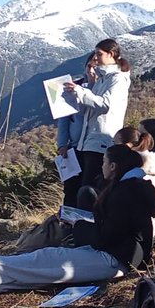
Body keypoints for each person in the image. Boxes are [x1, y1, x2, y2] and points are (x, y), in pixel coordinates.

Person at [0, 145, 155, 293]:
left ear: (113, 166)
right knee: (49, 261)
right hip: (121, 255)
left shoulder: (125, 193)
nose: (101, 166)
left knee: (51, 259)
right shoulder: (134, 189)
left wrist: (79, 226)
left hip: (118, 259)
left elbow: (107, 236)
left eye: (104, 162)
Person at [62, 39, 132, 203]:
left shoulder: (117, 79)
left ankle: (91, 217)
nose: (96, 57)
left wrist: (80, 92)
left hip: (101, 139)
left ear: (111, 54)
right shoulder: (102, 79)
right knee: (83, 188)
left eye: (99, 54)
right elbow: (91, 106)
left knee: (90, 189)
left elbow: (105, 104)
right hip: (89, 140)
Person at [57, 53, 98, 208]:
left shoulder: (105, 90)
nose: (91, 71)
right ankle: (68, 218)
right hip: (74, 146)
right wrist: (62, 144)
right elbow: (63, 118)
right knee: (71, 187)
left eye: (95, 67)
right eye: (89, 66)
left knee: (89, 187)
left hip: (94, 147)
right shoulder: (73, 87)